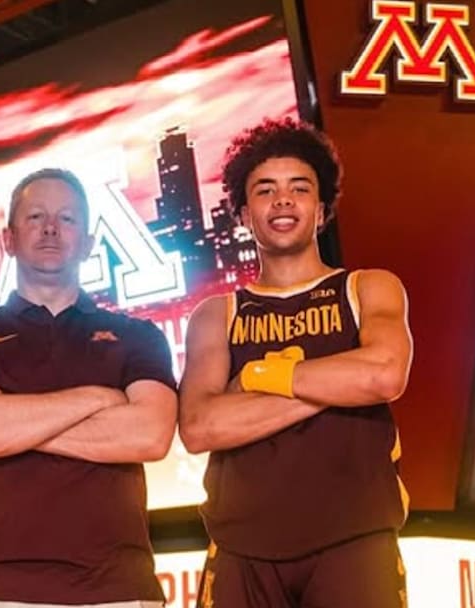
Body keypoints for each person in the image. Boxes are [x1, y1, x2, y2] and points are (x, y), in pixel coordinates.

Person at [178, 118, 414, 608]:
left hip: (355, 538)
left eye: (299, 189)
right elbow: (200, 426)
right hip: (241, 547)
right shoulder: (217, 313)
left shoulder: (367, 287)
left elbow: (384, 374)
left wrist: (262, 376)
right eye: (265, 190)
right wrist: (333, 382)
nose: (282, 200)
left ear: (321, 210)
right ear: (244, 214)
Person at [0, 168, 178, 608]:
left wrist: (8, 416)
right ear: (7, 239)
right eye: (35, 216)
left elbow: (150, 435)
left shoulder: (138, 336)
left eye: (67, 219)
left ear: (88, 241)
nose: (50, 228)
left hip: (117, 591)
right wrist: (100, 398)